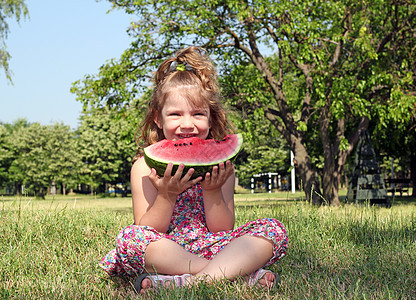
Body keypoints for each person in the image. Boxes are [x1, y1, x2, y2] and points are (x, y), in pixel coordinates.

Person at [100, 46, 289, 294]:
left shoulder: (223, 169)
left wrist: (212, 190)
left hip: (212, 244)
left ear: (211, 118)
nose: (187, 124)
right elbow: (146, 229)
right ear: (158, 118)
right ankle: (234, 273)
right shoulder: (144, 167)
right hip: (166, 249)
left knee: (273, 230)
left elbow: (222, 230)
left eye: (198, 114)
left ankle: (187, 281)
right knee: (130, 239)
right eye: (175, 114)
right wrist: (166, 195)